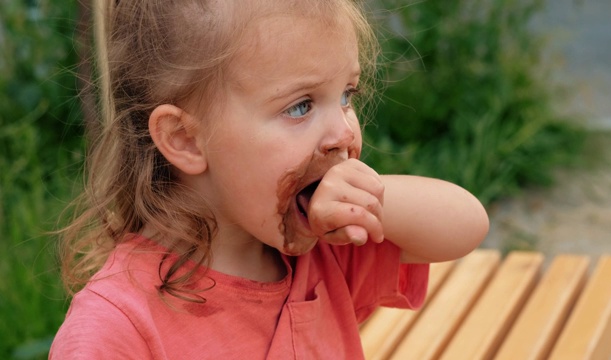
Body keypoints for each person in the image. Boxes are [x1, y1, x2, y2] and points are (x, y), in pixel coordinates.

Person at [50, 0, 489, 358]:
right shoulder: (118, 328)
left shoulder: (326, 247)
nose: (343, 133)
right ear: (185, 138)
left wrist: (372, 200)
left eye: (346, 95)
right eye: (300, 106)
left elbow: (467, 225)